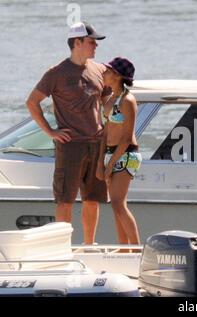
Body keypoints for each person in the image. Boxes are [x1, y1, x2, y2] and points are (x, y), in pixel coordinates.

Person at [25, 22, 109, 244]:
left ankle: (89, 245)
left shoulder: (99, 69)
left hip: (96, 143)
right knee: (65, 200)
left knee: (92, 199)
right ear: (77, 43)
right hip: (70, 145)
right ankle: (63, 247)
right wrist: (50, 131)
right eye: (92, 42)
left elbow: (108, 100)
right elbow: (32, 102)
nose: (95, 46)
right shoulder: (56, 73)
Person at [96, 57, 141, 246]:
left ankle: (137, 250)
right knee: (116, 206)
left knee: (118, 203)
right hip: (111, 153)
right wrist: (101, 162)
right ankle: (124, 250)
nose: (104, 73)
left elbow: (126, 137)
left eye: (107, 70)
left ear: (116, 75)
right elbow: (106, 131)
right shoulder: (110, 99)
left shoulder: (127, 100)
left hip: (126, 154)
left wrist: (111, 164)